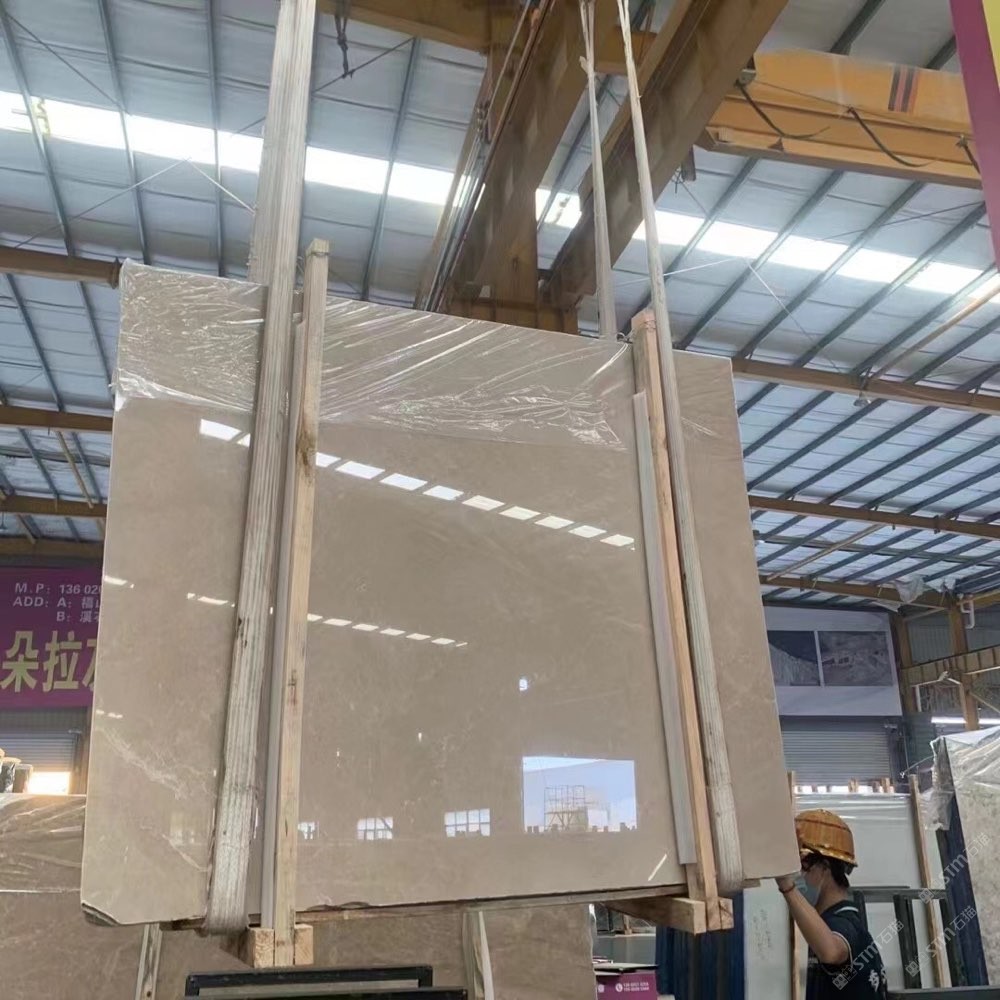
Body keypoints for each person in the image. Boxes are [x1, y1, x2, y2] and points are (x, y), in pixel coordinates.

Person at [776, 808, 888, 999]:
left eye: (802, 869)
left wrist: (787, 886)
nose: (797, 877)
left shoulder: (843, 924)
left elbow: (831, 951)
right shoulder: (834, 920)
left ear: (825, 868)